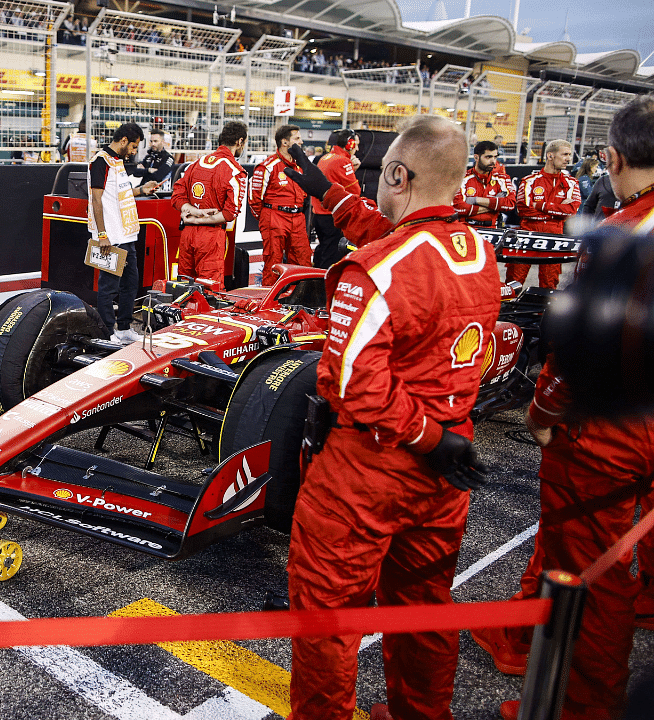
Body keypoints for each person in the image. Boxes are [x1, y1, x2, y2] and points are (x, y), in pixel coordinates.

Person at [284, 115, 502, 720]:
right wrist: (329, 193)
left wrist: (425, 437)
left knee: (326, 617)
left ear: (399, 174)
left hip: (371, 468)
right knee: (424, 605)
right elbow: (401, 235)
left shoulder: (377, 267)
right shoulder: (477, 251)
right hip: (449, 466)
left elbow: (351, 381)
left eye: (383, 175)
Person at [478, 95, 654, 720]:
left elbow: (574, 352)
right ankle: (522, 637)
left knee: (594, 569)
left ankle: (585, 704)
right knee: (573, 538)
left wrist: (541, 414)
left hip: (608, 425)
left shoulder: (620, 235)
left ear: (610, 157)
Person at [89, 122, 159, 344]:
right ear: (123, 141)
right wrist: (102, 234)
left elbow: (120, 193)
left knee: (130, 284)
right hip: (111, 237)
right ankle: (107, 331)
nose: (134, 151)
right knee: (108, 287)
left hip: (127, 235)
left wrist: (141, 190)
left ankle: (125, 328)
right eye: (134, 146)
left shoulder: (117, 162)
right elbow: (96, 199)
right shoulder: (100, 161)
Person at [170, 121, 249, 287]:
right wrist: (200, 218)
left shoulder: (197, 163)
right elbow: (229, 214)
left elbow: (176, 196)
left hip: (187, 234)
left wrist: (192, 212)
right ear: (239, 141)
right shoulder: (235, 171)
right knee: (209, 290)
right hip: (211, 238)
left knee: (184, 287)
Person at [512, 139, 581, 289]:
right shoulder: (529, 181)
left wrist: (540, 206)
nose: (568, 159)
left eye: (569, 155)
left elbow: (571, 210)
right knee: (514, 282)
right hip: (527, 235)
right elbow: (523, 210)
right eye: (564, 154)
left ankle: (542, 313)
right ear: (550, 156)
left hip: (554, 237)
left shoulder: (572, 183)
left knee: (549, 285)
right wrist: (557, 210)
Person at [249, 124, 311, 285]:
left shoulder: (300, 166)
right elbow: (254, 199)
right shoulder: (268, 166)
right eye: (297, 138)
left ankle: (301, 299)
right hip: (274, 218)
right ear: (285, 142)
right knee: (273, 263)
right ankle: (270, 303)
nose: (302, 142)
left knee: (303, 261)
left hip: (298, 218)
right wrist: (267, 219)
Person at [310, 129, 361, 268]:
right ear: (349, 144)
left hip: (319, 215)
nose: (357, 148)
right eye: (355, 144)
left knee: (323, 250)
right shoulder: (343, 161)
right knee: (332, 257)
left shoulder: (325, 158)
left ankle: (315, 282)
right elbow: (355, 191)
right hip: (332, 217)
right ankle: (324, 287)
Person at [454, 140, 516, 229]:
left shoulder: (502, 178)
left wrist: (475, 200)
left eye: (495, 157)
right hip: (466, 228)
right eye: (488, 157)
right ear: (476, 157)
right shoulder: (462, 178)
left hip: (492, 229)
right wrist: (495, 204)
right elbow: (459, 207)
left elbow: (510, 204)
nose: (493, 161)